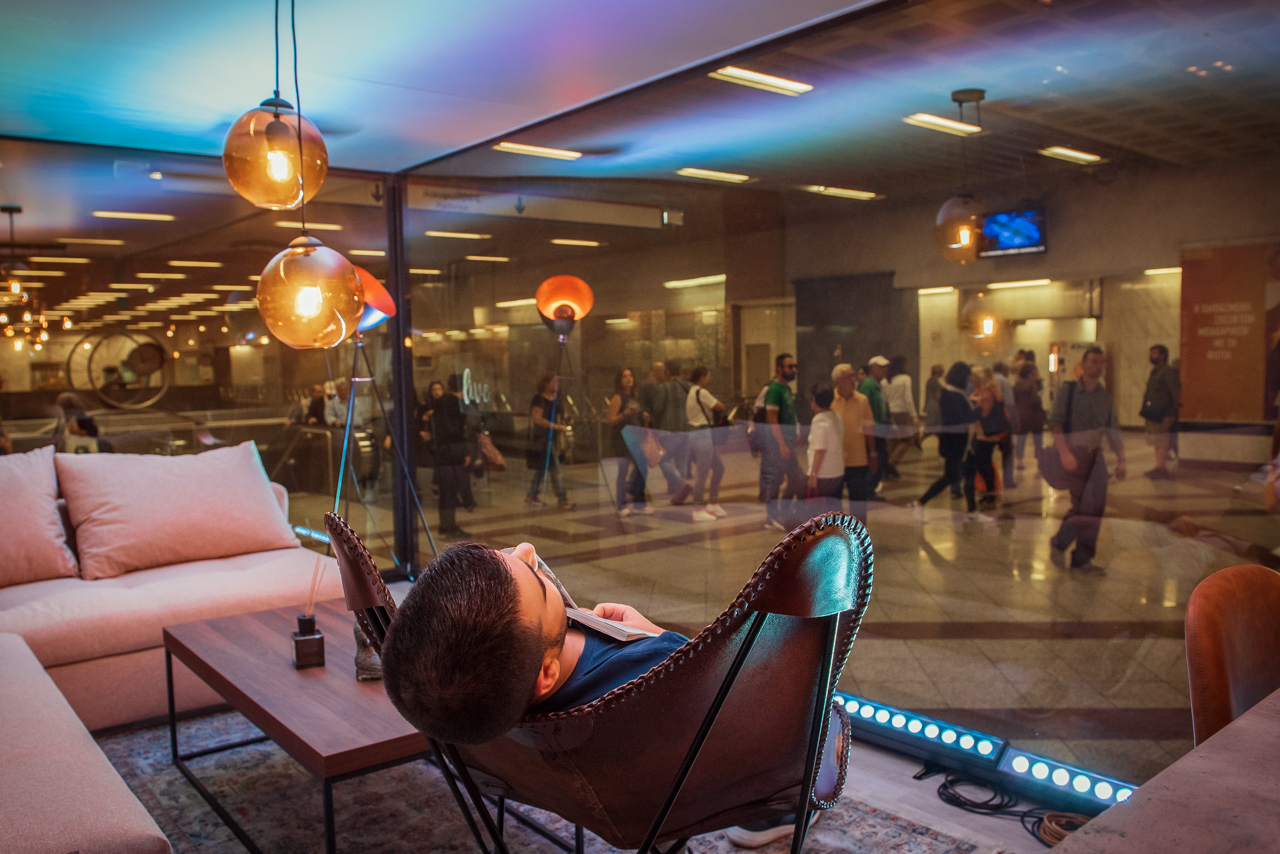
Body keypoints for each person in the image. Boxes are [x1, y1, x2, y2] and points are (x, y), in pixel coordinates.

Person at [380, 539, 844, 847]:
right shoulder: (651, 670)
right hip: (676, 787)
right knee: (829, 719)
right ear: (545, 673)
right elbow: (734, 710)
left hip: (585, 789)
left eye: (505, 554)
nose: (526, 550)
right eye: (540, 587)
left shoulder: (477, 702)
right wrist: (656, 642)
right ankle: (771, 816)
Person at [1049, 346, 1126, 574]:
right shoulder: (1069, 391)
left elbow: (1112, 429)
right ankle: (1063, 544)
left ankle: (1080, 558)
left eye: (1101, 363)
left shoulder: (1105, 396)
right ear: (1083, 365)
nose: (1098, 366)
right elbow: (1055, 423)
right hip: (1073, 454)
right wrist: (1064, 453)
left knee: (1097, 508)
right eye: (1093, 362)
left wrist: (1121, 459)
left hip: (1095, 456)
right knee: (1083, 507)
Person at [912, 362, 974, 514]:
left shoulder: (952, 393)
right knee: (952, 476)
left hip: (957, 441)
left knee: (960, 475)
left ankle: (972, 510)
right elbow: (958, 418)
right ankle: (921, 502)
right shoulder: (952, 394)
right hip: (956, 442)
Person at [762, 353, 805, 531]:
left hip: (786, 442)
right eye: (790, 367)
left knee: (782, 478)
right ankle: (774, 516)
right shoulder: (774, 390)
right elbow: (772, 419)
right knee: (796, 479)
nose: (794, 369)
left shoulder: (785, 388)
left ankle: (779, 514)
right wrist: (781, 444)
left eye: (794, 366)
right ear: (779, 369)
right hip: (777, 444)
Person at [830, 364, 876, 520]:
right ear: (837, 381)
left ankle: (859, 533)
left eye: (853, 376)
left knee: (858, 504)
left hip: (858, 460)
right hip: (835, 461)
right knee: (834, 505)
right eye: (848, 376)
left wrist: (873, 452)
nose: (853, 379)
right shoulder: (830, 401)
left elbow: (868, 428)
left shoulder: (862, 400)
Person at [964, 367, 1008, 521]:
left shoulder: (988, 391)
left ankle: (990, 492)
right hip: (980, 432)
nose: (971, 379)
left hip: (987, 433)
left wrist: (975, 406)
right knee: (982, 462)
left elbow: (985, 412)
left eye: (974, 377)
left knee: (983, 462)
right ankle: (989, 491)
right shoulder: (981, 390)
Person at [431, 378, 473, 537]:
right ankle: (449, 526)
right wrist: (466, 451)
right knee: (451, 489)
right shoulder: (455, 404)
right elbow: (458, 431)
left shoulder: (442, 402)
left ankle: (445, 525)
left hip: (443, 450)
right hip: (453, 451)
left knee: (446, 491)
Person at [606, 368, 650, 516]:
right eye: (624, 376)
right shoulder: (617, 398)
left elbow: (636, 416)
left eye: (630, 375)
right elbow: (611, 420)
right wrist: (623, 414)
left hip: (635, 437)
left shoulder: (635, 396)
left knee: (642, 467)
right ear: (620, 380)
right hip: (621, 439)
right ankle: (621, 504)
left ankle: (639, 502)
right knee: (623, 470)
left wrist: (644, 417)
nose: (628, 379)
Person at [526, 373, 574, 510]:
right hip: (544, 437)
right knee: (555, 468)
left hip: (555, 438)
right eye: (553, 382)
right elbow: (538, 419)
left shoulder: (557, 399)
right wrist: (556, 426)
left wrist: (568, 420)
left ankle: (532, 494)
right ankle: (562, 498)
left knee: (542, 468)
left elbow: (562, 414)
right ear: (545, 383)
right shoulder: (539, 399)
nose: (556, 384)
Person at [686, 366, 727, 523]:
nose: (710, 379)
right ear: (702, 377)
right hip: (702, 434)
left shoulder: (691, 391)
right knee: (702, 473)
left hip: (697, 434)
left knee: (718, 468)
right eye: (708, 376)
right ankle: (697, 510)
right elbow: (719, 406)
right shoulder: (701, 392)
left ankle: (712, 503)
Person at [1141, 344, 1180, 479]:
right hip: (1153, 412)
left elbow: (1175, 392)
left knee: (1162, 441)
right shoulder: (1155, 371)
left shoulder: (1168, 371)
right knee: (1156, 441)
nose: (1151, 356)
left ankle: (1162, 468)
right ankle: (1158, 466)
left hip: (1164, 413)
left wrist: (1174, 412)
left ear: (1162, 356)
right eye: (1151, 353)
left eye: (1154, 353)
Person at [806, 383, 845, 513]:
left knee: (820, 512)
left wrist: (813, 475)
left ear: (815, 400)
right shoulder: (837, 416)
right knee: (835, 510)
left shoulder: (819, 419)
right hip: (837, 471)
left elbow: (820, 450)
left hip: (824, 474)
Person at [861, 356, 892, 488]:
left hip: (879, 429)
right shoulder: (868, 385)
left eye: (885, 367)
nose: (884, 370)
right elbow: (864, 409)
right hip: (873, 430)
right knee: (877, 458)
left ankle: (870, 488)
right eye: (881, 367)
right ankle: (868, 488)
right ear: (872, 368)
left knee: (881, 458)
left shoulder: (879, 385)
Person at [991, 362, 1019, 490]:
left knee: (987, 452)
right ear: (1003, 370)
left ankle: (989, 483)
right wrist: (1015, 419)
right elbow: (1010, 402)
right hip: (1003, 421)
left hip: (987, 422)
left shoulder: (988, 381)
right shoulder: (1004, 381)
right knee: (1007, 451)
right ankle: (1007, 480)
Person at [1013, 362, 1045, 470]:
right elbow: (1036, 400)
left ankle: (1020, 461)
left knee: (1021, 439)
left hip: (1022, 416)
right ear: (1030, 374)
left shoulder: (1017, 385)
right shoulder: (1032, 385)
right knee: (1038, 440)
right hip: (1034, 417)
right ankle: (1039, 461)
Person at [921, 363, 945, 441]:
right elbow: (938, 396)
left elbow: (927, 394)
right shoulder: (935, 382)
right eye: (942, 371)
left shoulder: (929, 381)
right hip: (935, 407)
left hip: (930, 406)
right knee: (934, 428)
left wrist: (925, 405)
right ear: (938, 372)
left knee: (930, 428)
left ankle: (921, 441)